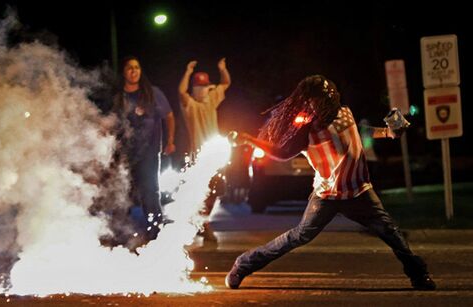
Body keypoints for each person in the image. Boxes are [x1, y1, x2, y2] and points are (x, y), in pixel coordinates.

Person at [225, 75, 435, 290]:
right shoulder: (306, 128)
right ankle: (244, 264)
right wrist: (249, 139)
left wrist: (388, 132)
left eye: (328, 99)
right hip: (327, 196)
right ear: (311, 102)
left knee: (390, 232)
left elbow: (359, 131)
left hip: (359, 191)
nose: (327, 104)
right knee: (298, 236)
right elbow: (282, 153)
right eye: (320, 100)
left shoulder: (344, 112)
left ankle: (419, 275)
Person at [112, 56, 176, 242]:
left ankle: (155, 231)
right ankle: (121, 232)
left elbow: (169, 116)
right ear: (124, 72)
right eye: (130, 68)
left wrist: (170, 140)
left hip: (148, 151)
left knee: (150, 191)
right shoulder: (119, 97)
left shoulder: (152, 93)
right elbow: (113, 122)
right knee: (122, 192)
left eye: (137, 67)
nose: (134, 71)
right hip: (125, 152)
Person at [178, 58, 231, 244]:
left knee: (216, 191)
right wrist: (188, 72)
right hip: (198, 158)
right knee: (202, 191)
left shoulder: (211, 101)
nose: (203, 90)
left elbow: (225, 83)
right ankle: (203, 224)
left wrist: (222, 69)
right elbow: (181, 92)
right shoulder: (191, 106)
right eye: (200, 86)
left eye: (205, 86)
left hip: (215, 155)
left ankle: (202, 221)